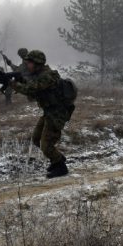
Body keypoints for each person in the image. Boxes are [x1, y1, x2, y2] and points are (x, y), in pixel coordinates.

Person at [11, 50, 75, 178]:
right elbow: (33, 92)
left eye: (29, 63)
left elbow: (31, 89)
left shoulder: (47, 76)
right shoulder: (39, 75)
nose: (27, 65)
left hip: (57, 113)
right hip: (49, 112)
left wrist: (12, 84)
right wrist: (20, 81)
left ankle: (61, 167)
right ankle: (56, 160)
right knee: (36, 139)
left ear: (37, 63)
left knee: (46, 145)